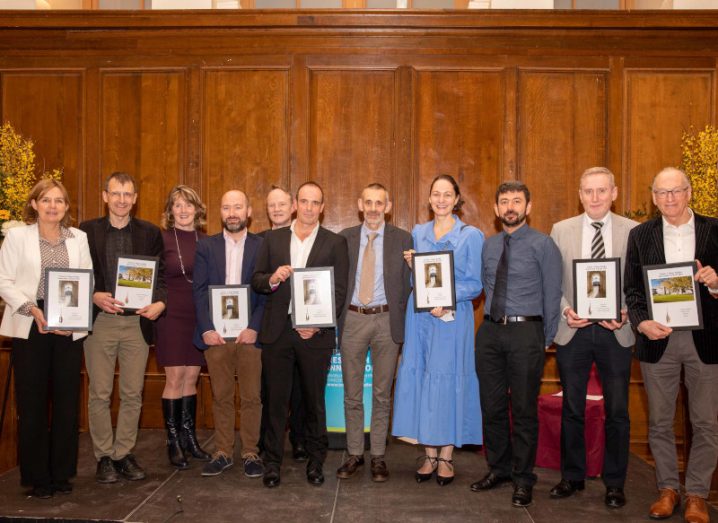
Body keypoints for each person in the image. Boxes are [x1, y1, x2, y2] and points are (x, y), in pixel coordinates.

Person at [624, 167, 718, 523]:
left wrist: (716, 282)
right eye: (662, 193)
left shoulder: (715, 228)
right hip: (657, 339)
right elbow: (632, 289)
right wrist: (641, 322)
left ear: (689, 192)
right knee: (660, 422)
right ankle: (667, 489)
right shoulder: (640, 234)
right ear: (653, 197)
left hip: (705, 340)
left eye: (676, 191)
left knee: (706, 422)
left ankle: (696, 494)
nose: (669, 199)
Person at [548, 167, 638, 508]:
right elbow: (552, 282)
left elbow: (637, 281)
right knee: (572, 407)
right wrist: (566, 309)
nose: (595, 198)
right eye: (588, 191)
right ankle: (572, 476)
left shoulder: (633, 231)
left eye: (602, 191)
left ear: (614, 192)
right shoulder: (561, 230)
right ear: (580, 194)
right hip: (575, 330)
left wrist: (627, 310)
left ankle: (615, 483)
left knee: (617, 410)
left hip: (618, 332)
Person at [251, 181, 348, 488]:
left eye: (315, 202)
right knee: (275, 401)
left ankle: (316, 462)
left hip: (314, 335)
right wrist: (274, 279)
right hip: (278, 333)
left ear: (322, 207)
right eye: (303, 201)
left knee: (314, 401)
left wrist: (318, 324)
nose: (308, 207)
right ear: (295, 204)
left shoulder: (334, 243)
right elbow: (256, 280)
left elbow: (339, 291)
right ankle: (271, 463)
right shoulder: (273, 238)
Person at [472, 180, 562, 508]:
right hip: (491, 332)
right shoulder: (489, 245)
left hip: (527, 333)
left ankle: (524, 478)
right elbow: (483, 285)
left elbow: (553, 294)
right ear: (496, 210)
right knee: (492, 406)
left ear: (528, 207)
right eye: (505, 201)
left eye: (517, 201)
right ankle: (499, 469)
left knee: (523, 410)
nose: (511, 207)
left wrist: (545, 338)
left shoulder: (544, 245)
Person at [0, 179, 92, 499]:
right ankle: (37, 477)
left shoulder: (78, 238)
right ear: (35, 204)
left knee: (68, 402)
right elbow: (4, 280)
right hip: (30, 323)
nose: (53, 206)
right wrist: (31, 309)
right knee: (33, 402)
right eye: (46, 200)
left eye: (59, 201)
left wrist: (76, 317)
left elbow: (86, 280)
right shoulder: (17, 237)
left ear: (66, 207)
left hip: (68, 324)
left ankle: (62, 473)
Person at [392, 174, 484, 487]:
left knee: (447, 381)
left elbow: (475, 284)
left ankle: (446, 456)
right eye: (436, 194)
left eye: (447, 194)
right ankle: (428, 454)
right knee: (421, 379)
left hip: (452, 319)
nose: (441, 200)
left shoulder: (471, 235)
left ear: (457, 199)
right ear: (429, 199)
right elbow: (417, 280)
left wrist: (448, 300)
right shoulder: (417, 233)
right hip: (420, 318)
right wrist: (411, 268)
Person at [80, 172, 166, 484]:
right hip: (101, 322)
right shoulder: (85, 232)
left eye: (128, 194)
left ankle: (123, 454)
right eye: (116, 193)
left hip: (136, 324)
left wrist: (160, 303)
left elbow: (163, 276)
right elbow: (76, 274)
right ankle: (103, 456)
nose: (121, 200)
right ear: (105, 196)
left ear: (135, 198)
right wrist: (92, 295)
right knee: (100, 393)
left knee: (133, 393)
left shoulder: (150, 232)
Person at [336, 183, 412, 482]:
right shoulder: (345, 238)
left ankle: (378, 456)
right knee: (352, 395)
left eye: (379, 203)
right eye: (368, 202)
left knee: (382, 395)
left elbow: (413, 283)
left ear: (388, 206)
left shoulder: (404, 239)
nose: (373, 208)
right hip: (353, 320)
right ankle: (355, 453)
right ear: (359, 204)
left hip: (386, 321)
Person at [192, 190, 266, 479]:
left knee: (251, 397)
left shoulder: (262, 245)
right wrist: (207, 329)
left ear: (248, 211)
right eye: (226, 207)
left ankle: (250, 452)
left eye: (238, 207)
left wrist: (255, 327)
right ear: (219, 212)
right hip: (217, 337)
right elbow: (198, 291)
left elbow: (267, 292)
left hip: (250, 335)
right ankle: (222, 451)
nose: (232, 212)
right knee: (221, 396)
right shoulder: (206, 247)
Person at [155, 185, 210, 470]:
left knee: (192, 377)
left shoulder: (207, 241)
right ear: (170, 211)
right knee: (174, 378)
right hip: (171, 315)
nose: (184, 210)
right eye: (178, 205)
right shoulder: (161, 239)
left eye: (189, 204)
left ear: (197, 210)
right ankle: (173, 441)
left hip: (198, 316)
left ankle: (190, 438)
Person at [258, 185, 308, 463]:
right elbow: (255, 281)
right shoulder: (262, 240)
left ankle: (299, 440)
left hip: (304, 325)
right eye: (271, 205)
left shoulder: (307, 237)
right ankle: (269, 441)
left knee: (301, 389)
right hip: (272, 326)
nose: (276, 209)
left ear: (293, 207)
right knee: (271, 391)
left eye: (281, 204)